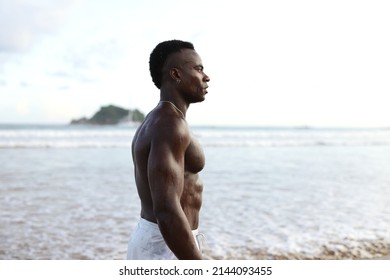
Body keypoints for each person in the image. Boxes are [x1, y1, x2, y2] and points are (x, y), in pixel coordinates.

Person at [127, 40, 210, 260]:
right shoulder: (169, 124)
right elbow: (166, 209)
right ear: (176, 74)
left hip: (164, 241)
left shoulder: (162, 120)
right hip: (166, 245)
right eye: (198, 69)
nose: (206, 77)